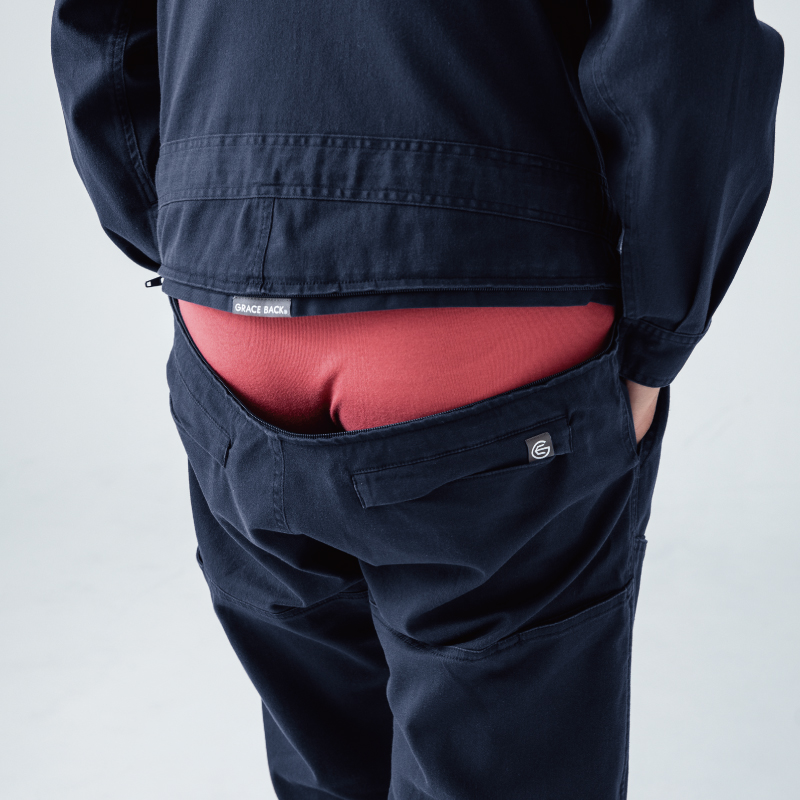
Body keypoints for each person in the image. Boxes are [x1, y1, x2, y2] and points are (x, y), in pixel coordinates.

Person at [51, 1, 783, 797]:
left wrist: (191, 228)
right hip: (491, 300)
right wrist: (658, 334)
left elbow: (102, 24)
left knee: (326, 750)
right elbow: (681, 37)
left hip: (230, 314)